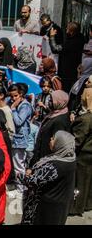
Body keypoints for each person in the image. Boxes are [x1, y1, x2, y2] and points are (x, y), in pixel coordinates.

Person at [22, 131, 76, 225]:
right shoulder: (70, 158)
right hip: (60, 204)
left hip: (46, 207)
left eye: (53, 138)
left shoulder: (55, 165)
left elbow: (31, 182)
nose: (50, 139)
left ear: (60, 143)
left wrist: (23, 175)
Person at [30, 90, 71, 169]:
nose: (49, 102)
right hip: (42, 155)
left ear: (59, 101)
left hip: (48, 159)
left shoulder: (60, 120)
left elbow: (57, 144)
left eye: (52, 100)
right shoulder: (53, 114)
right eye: (49, 99)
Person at [8, 83, 33, 198]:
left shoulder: (25, 106)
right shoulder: (16, 104)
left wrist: (13, 109)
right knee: (16, 164)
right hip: (15, 139)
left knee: (19, 165)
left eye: (15, 96)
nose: (13, 98)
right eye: (11, 96)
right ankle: (19, 186)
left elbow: (18, 121)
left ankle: (21, 190)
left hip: (20, 140)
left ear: (21, 94)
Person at [70, 86, 92, 216]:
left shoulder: (86, 119)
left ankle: (76, 207)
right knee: (88, 182)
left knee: (80, 183)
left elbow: (76, 140)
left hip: (83, 156)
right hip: (89, 155)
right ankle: (87, 204)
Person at [49, 22, 86, 92]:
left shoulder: (72, 43)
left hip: (68, 73)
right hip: (72, 71)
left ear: (71, 32)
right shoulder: (80, 38)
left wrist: (52, 36)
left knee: (65, 91)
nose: (66, 30)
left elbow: (55, 49)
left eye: (67, 29)